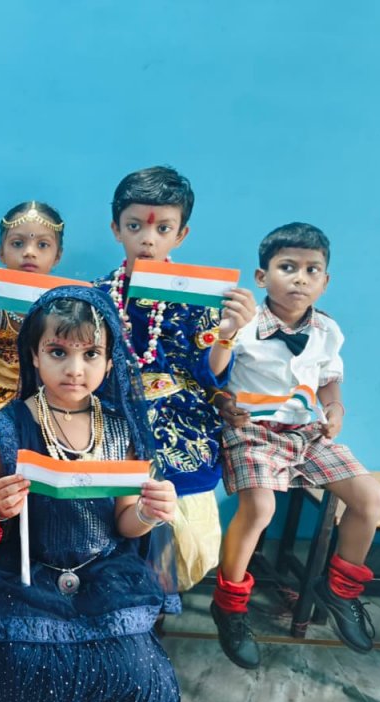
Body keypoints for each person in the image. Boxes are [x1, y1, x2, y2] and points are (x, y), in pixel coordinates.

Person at [0, 286, 180, 702]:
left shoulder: (122, 428)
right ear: (34, 356)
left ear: (110, 361)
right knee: (21, 663)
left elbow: (127, 524)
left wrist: (149, 512)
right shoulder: (3, 426)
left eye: (91, 354)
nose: (75, 368)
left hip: (105, 573)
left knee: (140, 677)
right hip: (25, 574)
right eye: (59, 352)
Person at [211, 223, 380, 669]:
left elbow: (329, 379)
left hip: (304, 433)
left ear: (325, 282)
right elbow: (213, 374)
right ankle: (229, 605)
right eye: (287, 267)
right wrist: (225, 393)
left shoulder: (328, 331)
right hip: (251, 431)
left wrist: (335, 412)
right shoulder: (244, 326)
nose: (300, 278)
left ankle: (340, 590)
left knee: (370, 498)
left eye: (312, 270)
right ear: (261, 275)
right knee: (261, 508)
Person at [91, 166, 256, 600]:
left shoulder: (201, 294)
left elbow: (210, 372)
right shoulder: (97, 294)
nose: (148, 239)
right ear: (116, 228)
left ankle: (161, 601)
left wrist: (228, 332)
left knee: (179, 539)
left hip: (181, 419)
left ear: (180, 234)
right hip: (111, 413)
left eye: (163, 228)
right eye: (135, 226)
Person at [0, 200, 65, 433]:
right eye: (17, 243)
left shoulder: (65, 309)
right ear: (1, 252)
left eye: (43, 245)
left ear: (57, 256)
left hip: (50, 400)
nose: (29, 252)